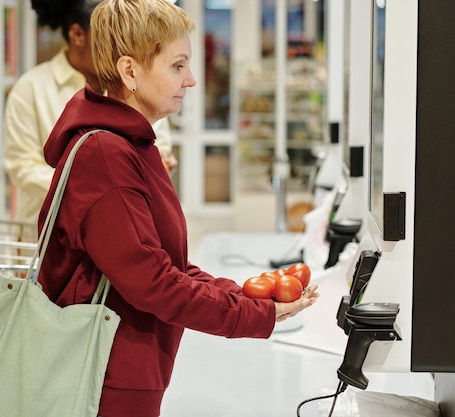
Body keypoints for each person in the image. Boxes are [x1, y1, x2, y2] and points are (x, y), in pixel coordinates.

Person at [36, 0, 319, 416]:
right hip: (103, 378)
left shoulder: (132, 145)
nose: (191, 80)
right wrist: (251, 316)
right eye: (177, 66)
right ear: (129, 71)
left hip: (123, 369)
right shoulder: (106, 155)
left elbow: (170, 265)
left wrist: (244, 297)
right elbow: (152, 282)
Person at [3, 0, 177, 243]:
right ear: (77, 34)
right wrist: (97, 188)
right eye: (107, 37)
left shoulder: (133, 83)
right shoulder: (31, 89)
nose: (119, 47)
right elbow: (23, 167)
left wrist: (161, 163)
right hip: (48, 246)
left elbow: (159, 146)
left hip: (124, 240)